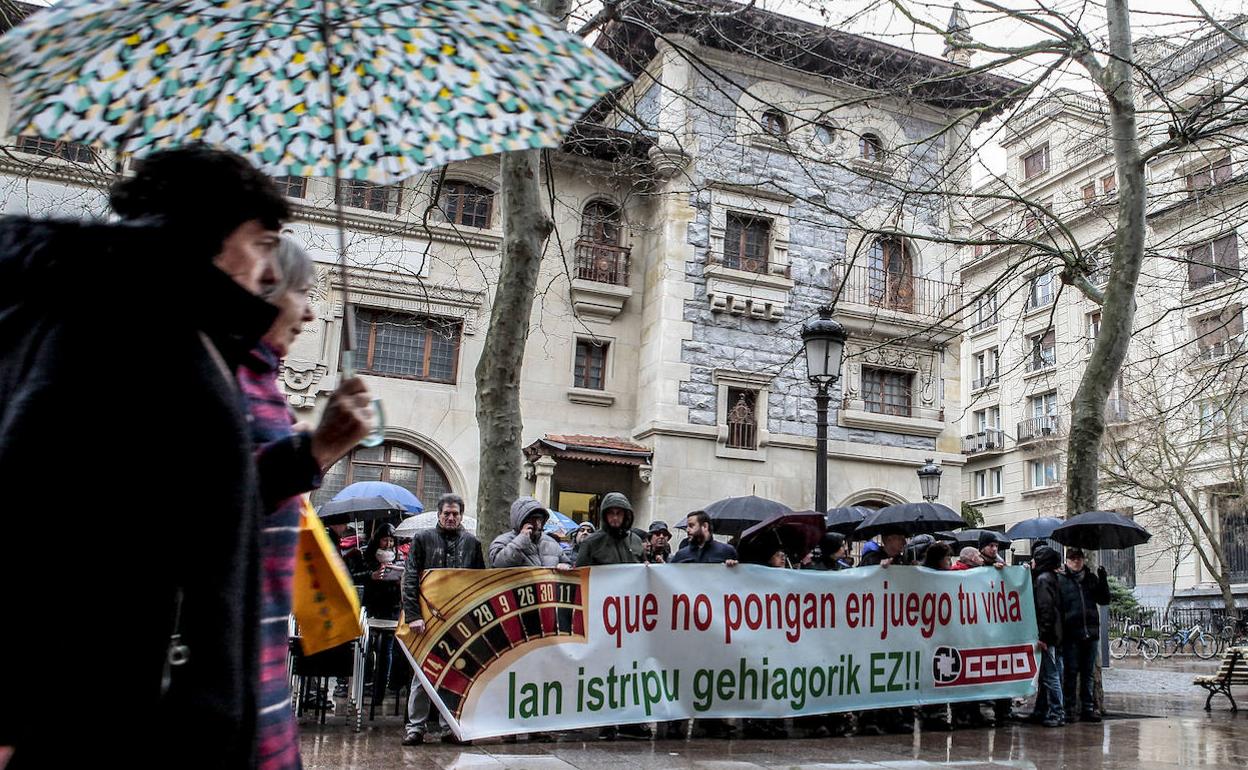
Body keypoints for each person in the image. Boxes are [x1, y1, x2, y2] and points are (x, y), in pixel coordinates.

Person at [0, 145, 324, 764]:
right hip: (107, 719)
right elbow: (25, 510)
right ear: (208, 231)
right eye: (261, 243)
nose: (267, 271)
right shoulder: (111, 324)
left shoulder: (188, 330)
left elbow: (195, 503)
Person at [238, 235, 372, 769]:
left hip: (255, 660)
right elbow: (200, 496)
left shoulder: (260, 376)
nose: (313, 312)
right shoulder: (213, 369)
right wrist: (315, 449)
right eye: (305, 292)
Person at [401, 494, 485, 746]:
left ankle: (452, 726)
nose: (451, 517)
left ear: (461, 515)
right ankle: (415, 727)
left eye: (455, 514)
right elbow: (410, 579)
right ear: (439, 514)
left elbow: (479, 582)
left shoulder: (473, 543)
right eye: (447, 513)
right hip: (425, 620)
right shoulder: (422, 539)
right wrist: (413, 615)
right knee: (423, 673)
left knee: (458, 673)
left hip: (460, 621)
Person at [1058, 548, 1110, 722]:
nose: (1076, 562)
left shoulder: (1091, 579)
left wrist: (1103, 579)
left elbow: (1104, 599)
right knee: (1071, 672)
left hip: (1090, 633)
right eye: (1072, 559)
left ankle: (1088, 707)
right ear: (1067, 561)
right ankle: (1069, 708)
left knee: (1087, 673)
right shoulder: (1061, 580)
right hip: (1071, 634)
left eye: (1079, 559)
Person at [1031, 545, 1066, 728]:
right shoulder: (1053, 578)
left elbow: (1045, 609)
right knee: (1052, 673)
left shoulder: (1043, 580)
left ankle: (1056, 712)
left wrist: (1043, 636)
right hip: (1056, 634)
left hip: (1049, 635)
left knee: (1051, 675)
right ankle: (1043, 710)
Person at [490, 497, 574, 569]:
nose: (538, 524)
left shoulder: (551, 542)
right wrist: (520, 541)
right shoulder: (503, 541)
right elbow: (498, 564)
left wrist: (565, 566)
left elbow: (568, 564)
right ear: (520, 520)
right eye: (533, 519)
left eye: (540, 519)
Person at [575, 492, 645, 566]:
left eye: (619, 513)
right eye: (611, 513)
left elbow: (643, 567)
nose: (615, 517)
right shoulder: (591, 542)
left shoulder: (635, 540)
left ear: (625, 515)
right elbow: (581, 573)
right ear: (604, 515)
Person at [670, 511, 739, 565]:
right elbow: (670, 575)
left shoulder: (727, 551)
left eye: (691, 526)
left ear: (705, 526)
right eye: (687, 526)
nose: (687, 530)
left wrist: (732, 567)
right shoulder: (681, 554)